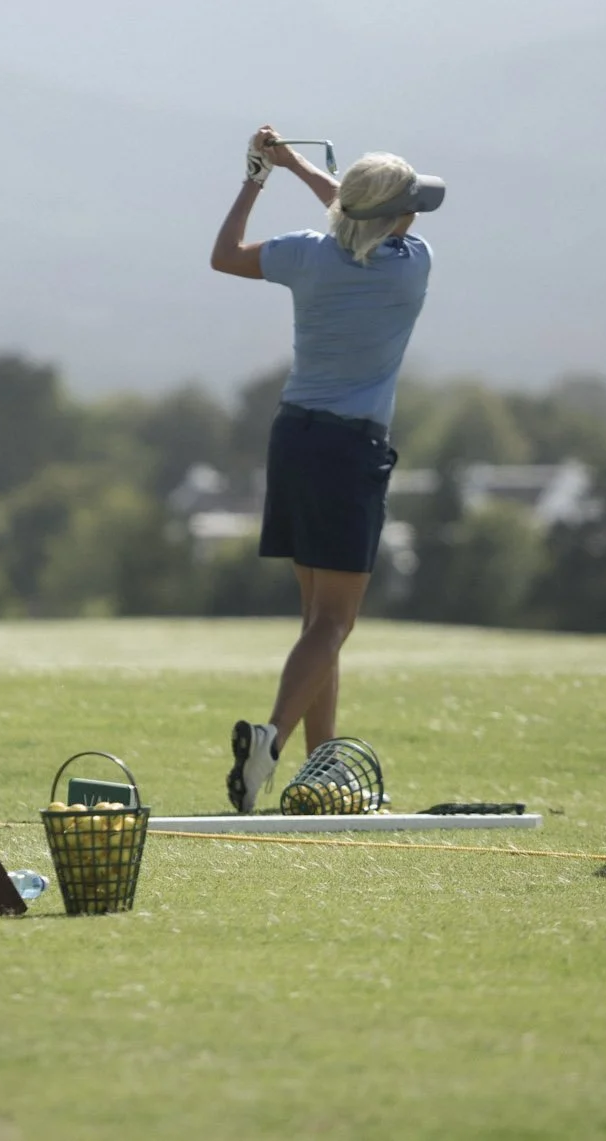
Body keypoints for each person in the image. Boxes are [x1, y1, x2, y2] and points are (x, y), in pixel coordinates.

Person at [209, 126, 444, 813]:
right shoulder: (412, 264)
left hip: (294, 439)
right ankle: (271, 738)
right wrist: (302, 168)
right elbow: (352, 209)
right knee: (333, 623)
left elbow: (226, 255)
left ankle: (322, 769)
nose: (416, 214)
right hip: (351, 452)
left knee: (318, 618)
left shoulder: (304, 256)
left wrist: (262, 174)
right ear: (396, 217)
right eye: (409, 204)